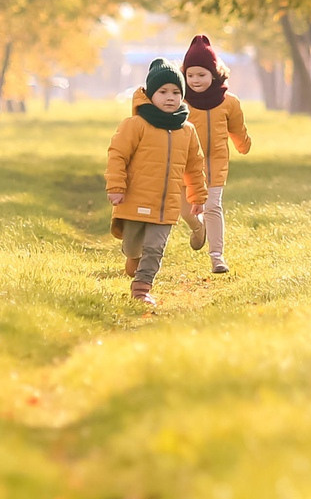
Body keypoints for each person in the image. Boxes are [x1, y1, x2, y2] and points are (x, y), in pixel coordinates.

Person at [106, 59, 208, 306]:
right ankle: (133, 261)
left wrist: (197, 197)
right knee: (133, 248)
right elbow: (117, 155)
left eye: (175, 92)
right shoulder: (136, 125)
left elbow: (195, 166)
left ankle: (141, 289)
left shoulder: (187, 130)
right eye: (162, 92)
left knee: (155, 248)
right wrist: (116, 187)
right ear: (151, 95)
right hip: (135, 200)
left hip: (166, 205)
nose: (170, 97)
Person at [179, 34, 250, 275]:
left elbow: (237, 129)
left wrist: (243, 145)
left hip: (216, 162)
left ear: (214, 73)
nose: (195, 80)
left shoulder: (228, 102)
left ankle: (217, 257)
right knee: (186, 209)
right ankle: (197, 228)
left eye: (201, 75)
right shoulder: (181, 101)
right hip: (186, 164)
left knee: (212, 206)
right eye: (190, 75)